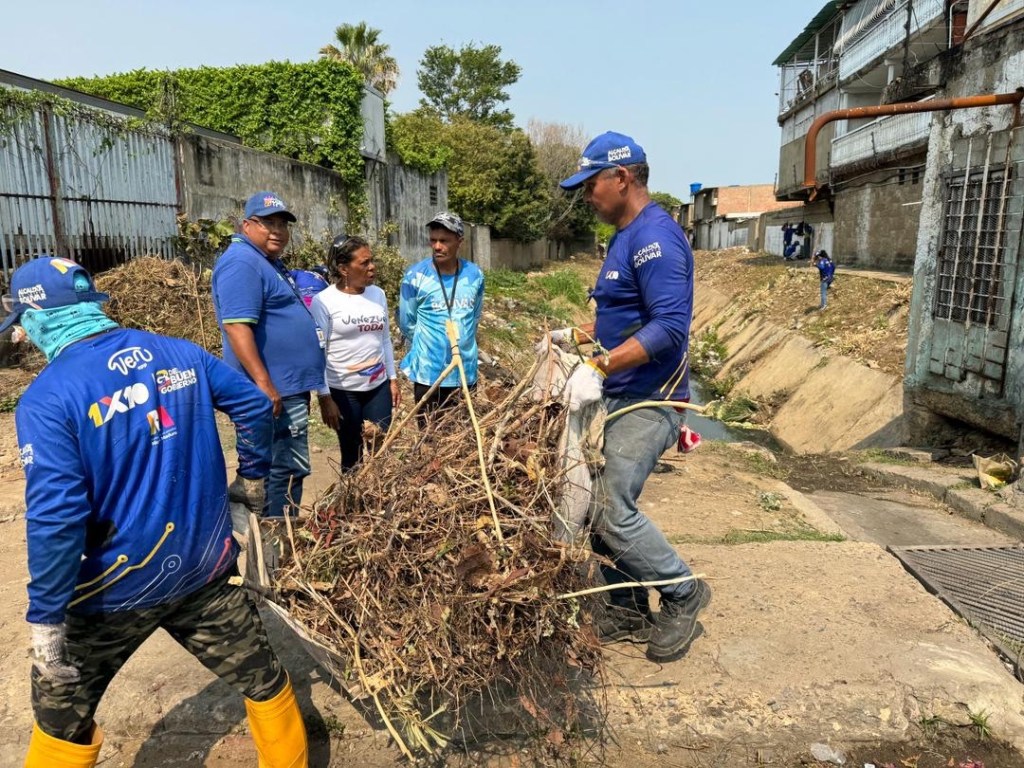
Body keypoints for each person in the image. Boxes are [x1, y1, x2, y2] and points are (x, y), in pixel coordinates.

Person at [4, 257, 307, 768]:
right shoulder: (177, 353)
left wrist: (47, 619)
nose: (23, 336)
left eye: (23, 325)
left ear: (39, 318)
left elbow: (57, 520)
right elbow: (256, 407)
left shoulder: (47, 400)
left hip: (108, 594)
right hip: (204, 571)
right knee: (263, 681)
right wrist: (249, 483)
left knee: (61, 718)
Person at [554, 131, 711, 664]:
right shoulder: (624, 236)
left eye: (590, 184)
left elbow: (669, 327)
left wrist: (599, 364)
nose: (586, 196)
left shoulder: (656, 239)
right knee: (594, 494)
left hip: (651, 399)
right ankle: (624, 607)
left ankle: (683, 593)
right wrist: (579, 338)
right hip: (617, 393)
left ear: (622, 178)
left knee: (607, 507)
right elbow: (623, 315)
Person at [212, 191, 330, 519]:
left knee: (285, 470)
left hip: (287, 388)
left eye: (282, 224)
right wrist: (264, 382)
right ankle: (277, 554)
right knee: (285, 470)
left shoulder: (265, 262)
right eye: (268, 223)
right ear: (247, 225)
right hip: (273, 390)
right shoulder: (241, 262)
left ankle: (275, 551)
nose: (277, 230)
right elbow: (237, 327)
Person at [311, 235, 400, 469]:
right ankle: (352, 504)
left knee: (380, 449)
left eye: (372, 261)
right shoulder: (324, 301)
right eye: (364, 263)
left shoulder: (377, 294)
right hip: (343, 391)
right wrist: (324, 397)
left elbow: (385, 340)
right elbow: (318, 350)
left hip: (377, 387)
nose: (372, 267)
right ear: (343, 269)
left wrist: (392, 378)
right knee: (352, 455)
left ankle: (379, 503)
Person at [398, 212, 485, 421]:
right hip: (429, 375)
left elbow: (474, 317)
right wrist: (430, 344)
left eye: (444, 241)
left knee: (462, 440)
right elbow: (406, 322)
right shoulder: (415, 276)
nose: (437, 246)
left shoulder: (474, 275)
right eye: (433, 240)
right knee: (429, 440)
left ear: (459, 242)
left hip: (465, 373)